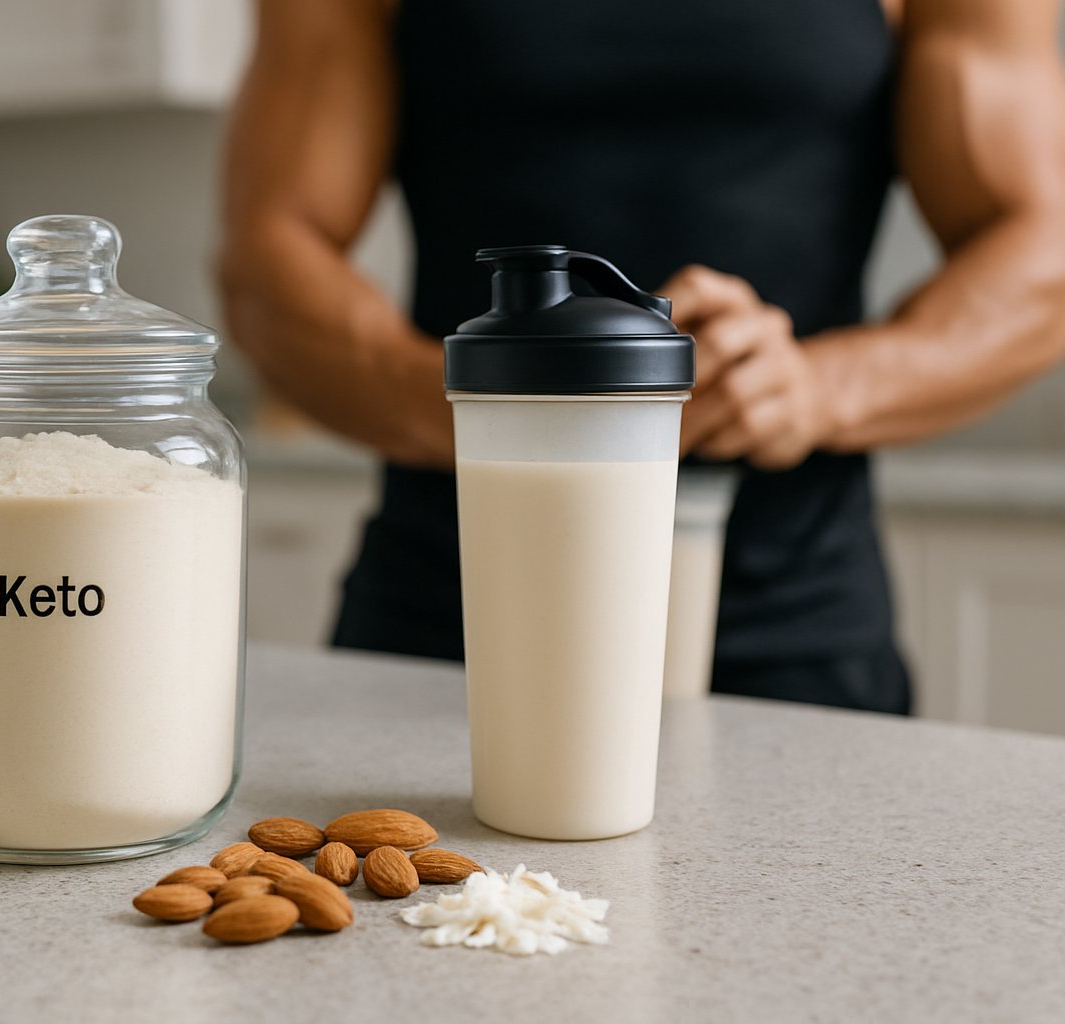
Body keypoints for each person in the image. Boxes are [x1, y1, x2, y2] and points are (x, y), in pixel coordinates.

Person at [218, 0, 1065, 714]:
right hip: (453, 615)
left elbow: (1043, 244)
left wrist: (817, 389)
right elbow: (267, 253)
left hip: (792, 625)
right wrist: (497, 398)